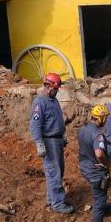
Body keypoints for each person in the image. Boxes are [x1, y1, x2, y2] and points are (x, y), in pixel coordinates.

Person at [29, 72, 73, 214]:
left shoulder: (54, 101)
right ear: (48, 86)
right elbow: (35, 124)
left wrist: (62, 136)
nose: (57, 91)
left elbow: (56, 120)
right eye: (55, 88)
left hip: (57, 140)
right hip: (49, 142)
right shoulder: (39, 102)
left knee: (58, 171)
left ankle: (51, 199)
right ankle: (58, 204)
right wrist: (39, 143)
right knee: (54, 172)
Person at [77, 104, 111, 222]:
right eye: (105, 119)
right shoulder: (97, 134)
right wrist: (106, 164)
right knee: (99, 202)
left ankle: (103, 205)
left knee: (100, 195)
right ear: (101, 119)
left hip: (85, 167)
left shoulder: (83, 129)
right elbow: (99, 153)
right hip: (95, 172)